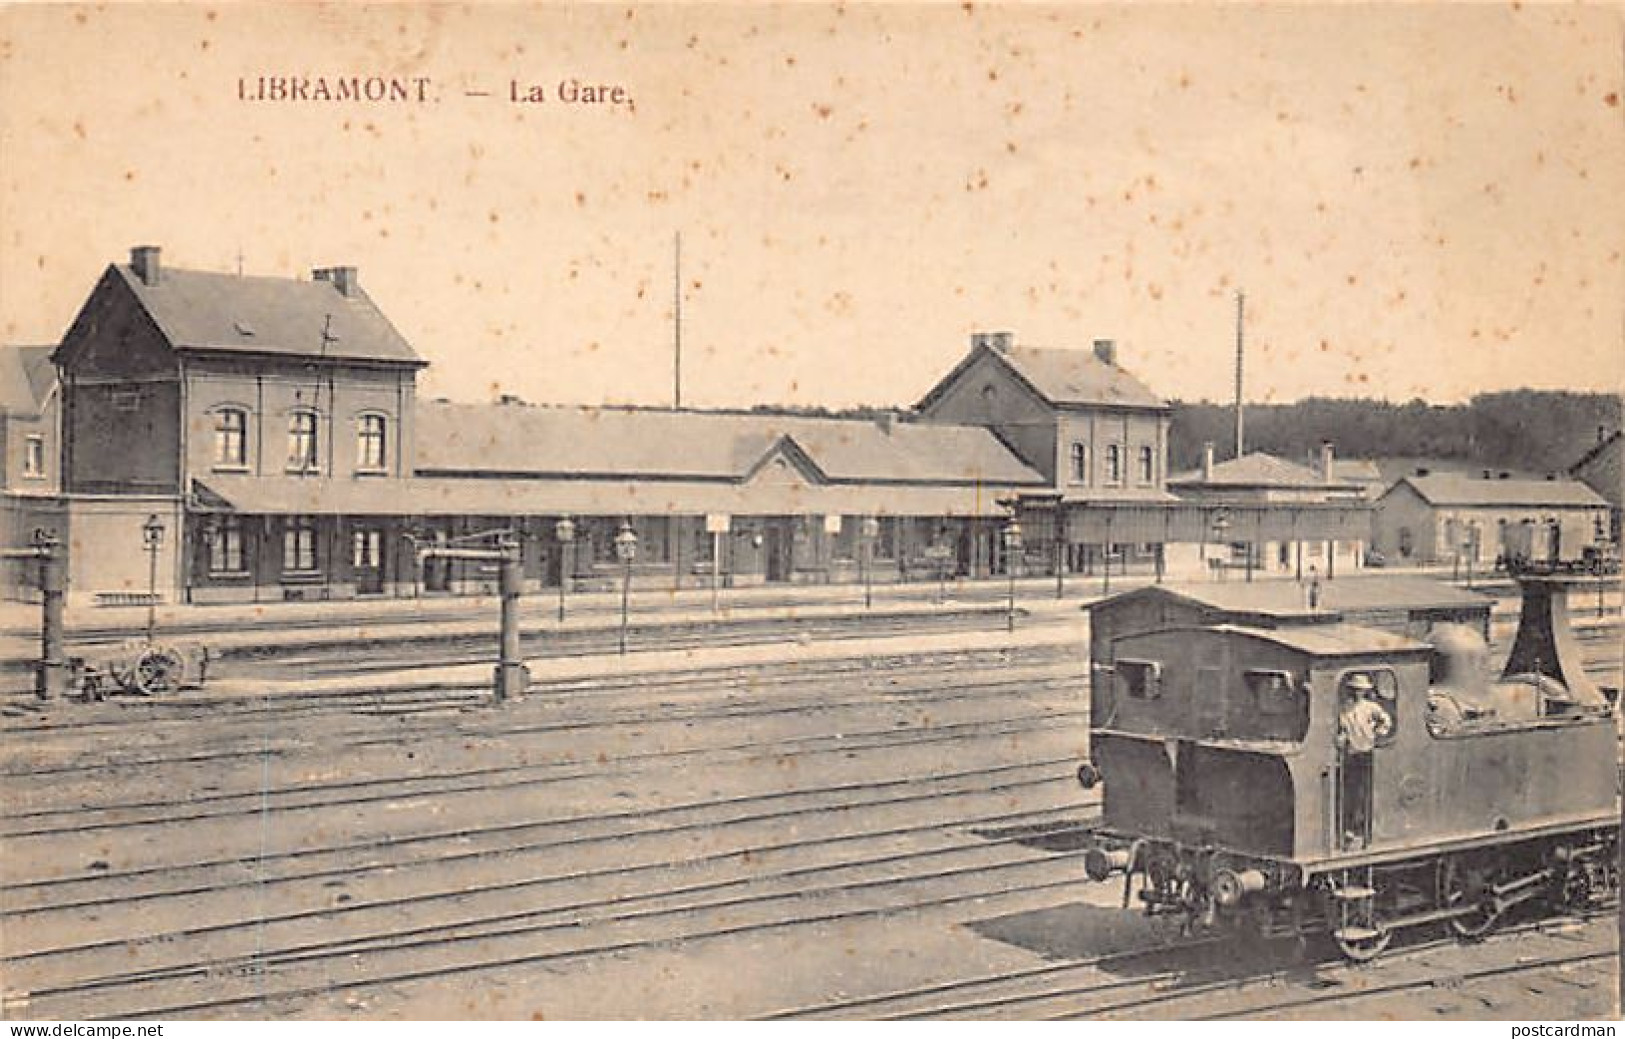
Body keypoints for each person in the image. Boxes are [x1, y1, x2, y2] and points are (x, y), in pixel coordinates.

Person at [1338, 673, 1392, 754]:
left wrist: (1379, 733)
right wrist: (1342, 738)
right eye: (1355, 689)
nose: (1357, 692)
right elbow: (1342, 728)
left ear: (1365, 691)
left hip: (1369, 748)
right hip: (1351, 750)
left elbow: (1386, 720)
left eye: (1360, 689)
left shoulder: (1371, 706)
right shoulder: (1345, 708)